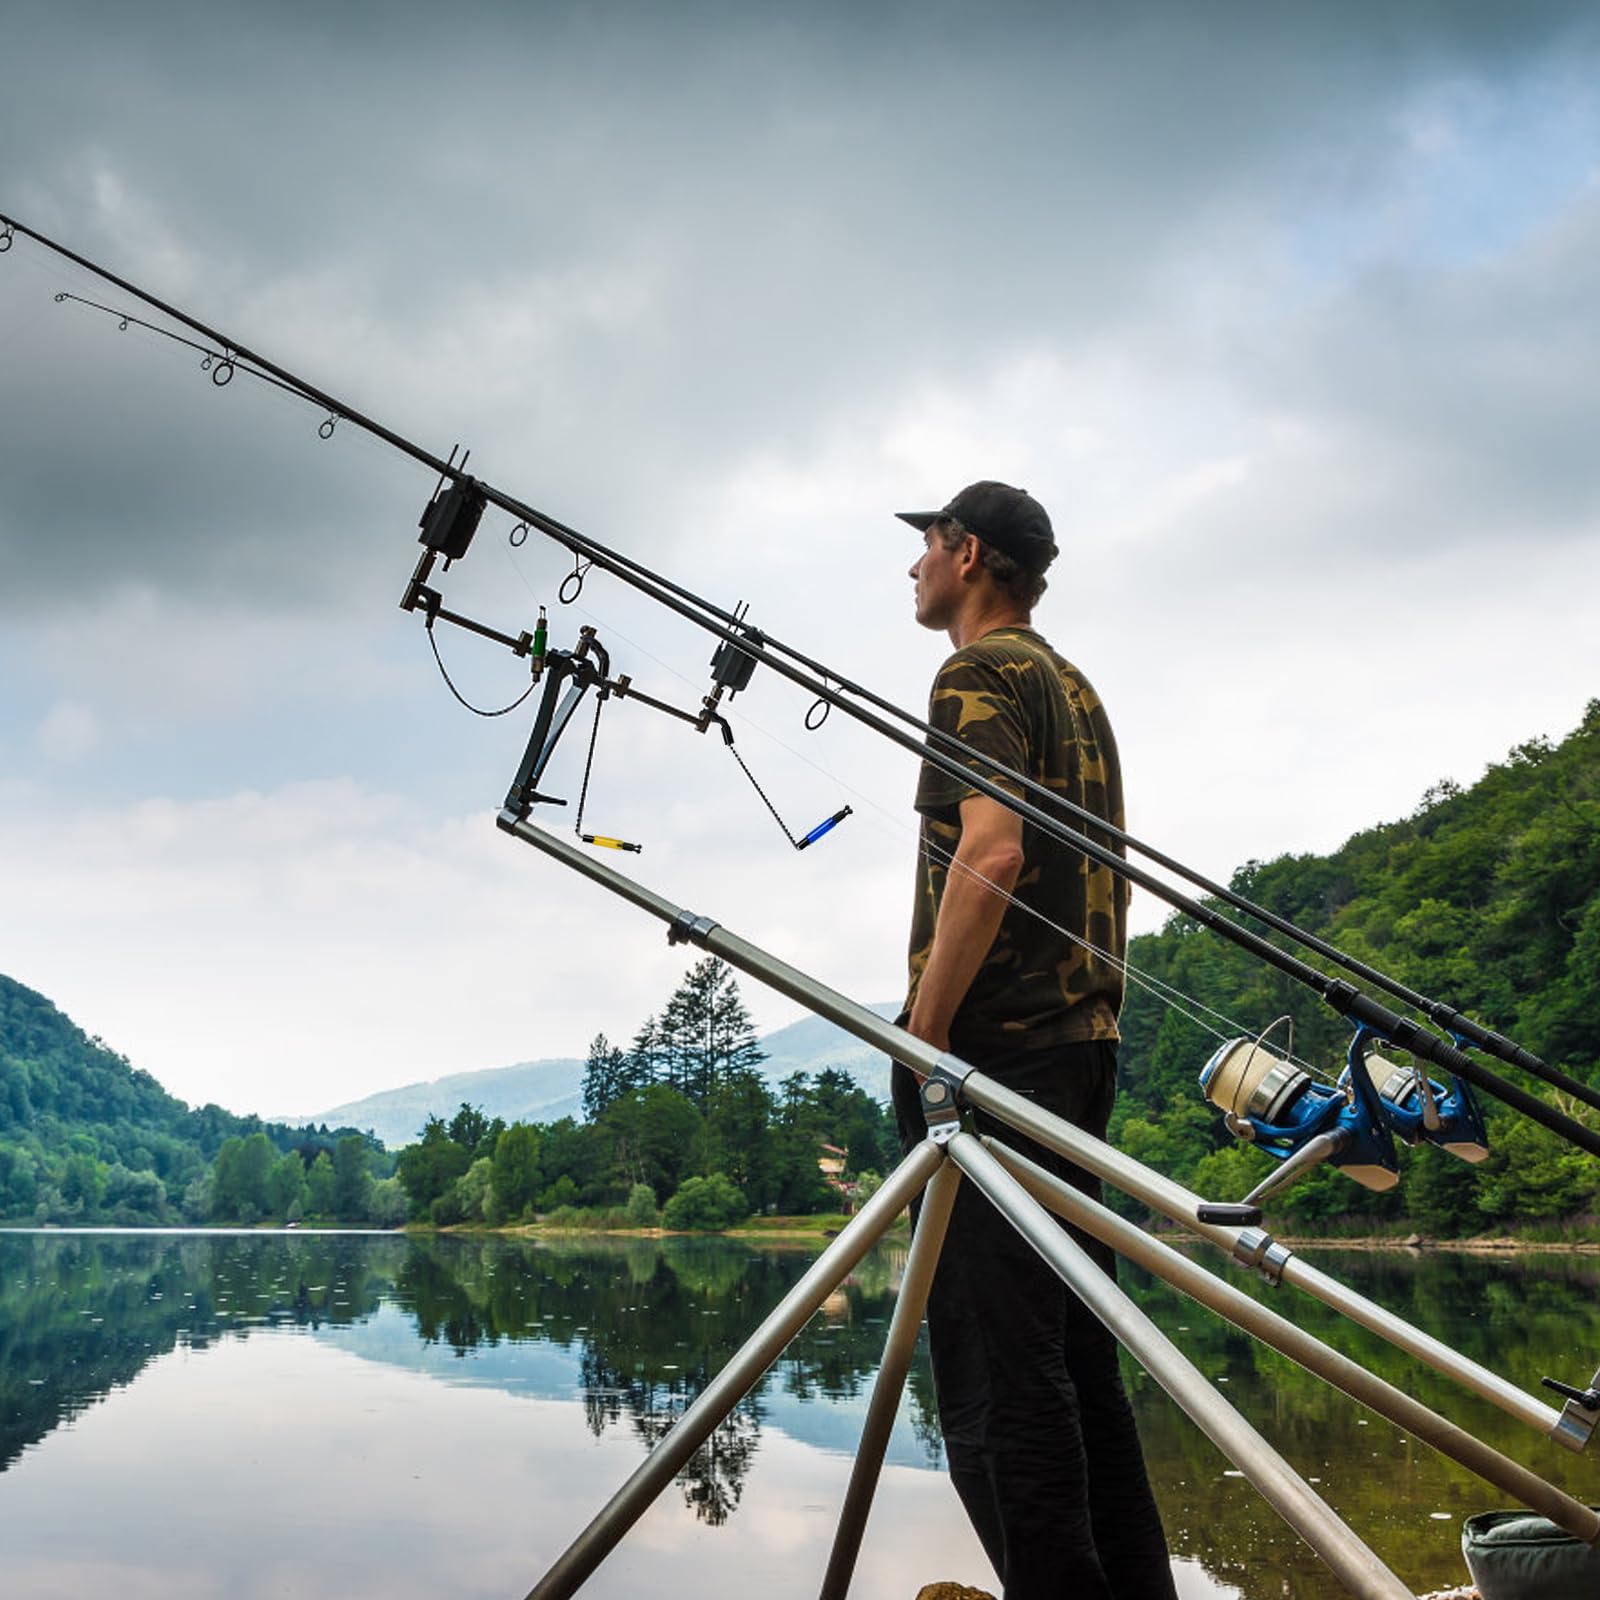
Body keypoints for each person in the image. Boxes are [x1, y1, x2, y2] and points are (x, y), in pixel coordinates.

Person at [889, 481, 1176, 1600]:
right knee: (1070, 1344)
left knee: (998, 1362)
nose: (911, 569)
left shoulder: (974, 672)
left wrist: (924, 1029)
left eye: (924, 547)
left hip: (994, 1054)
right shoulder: (1074, 684)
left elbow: (993, 854)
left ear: (967, 554)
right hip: (1081, 1042)